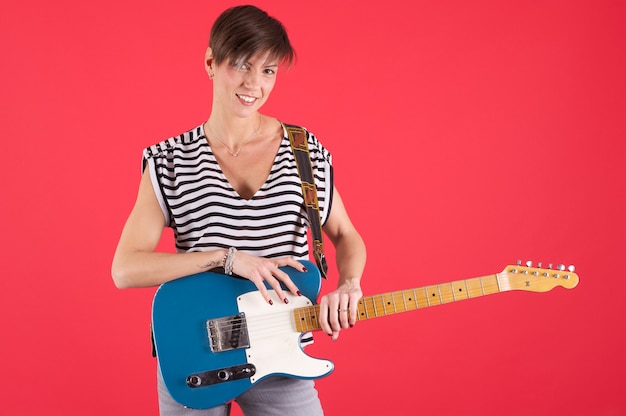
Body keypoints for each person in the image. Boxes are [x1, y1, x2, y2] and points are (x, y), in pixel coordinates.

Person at [111, 5, 366, 416]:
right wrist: (228, 260)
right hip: (198, 350)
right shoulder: (168, 160)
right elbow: (125, 269)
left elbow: (347, 235)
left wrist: (350, 282)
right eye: (242, 65)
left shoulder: (305, 151)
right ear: (211, 62)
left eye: (268, 71)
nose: (254, 84)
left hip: (283, 348)